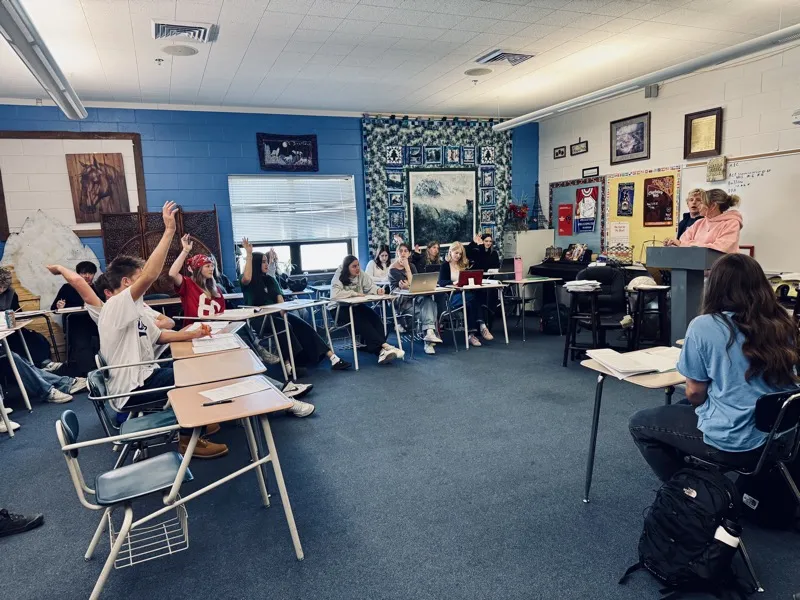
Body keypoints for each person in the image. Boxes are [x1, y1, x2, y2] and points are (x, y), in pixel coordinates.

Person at [629, 253, 800, 482]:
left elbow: (695, 393)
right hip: (782, 435)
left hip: (737, 442)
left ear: (715, 287)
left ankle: (688, 495)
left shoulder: (705, 326)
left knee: (640, 423)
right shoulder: (783, 323)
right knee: (681, 407)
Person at [239, 238, 351, 374]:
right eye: (263, 261)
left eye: (266, 261)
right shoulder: (248, 282)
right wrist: (249, 255)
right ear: (255, 263)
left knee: (301, 324)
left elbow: (279, 297)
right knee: (283, 327)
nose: (266, 264)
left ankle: (333, 358)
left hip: (276, 314)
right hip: (259, 318)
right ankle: (290, 366)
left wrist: (283, 310)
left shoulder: (269, 279)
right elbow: (247, 278)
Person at [331, 255, 404, 365]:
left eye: (358, 265)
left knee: (375, 318)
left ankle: (381, 352)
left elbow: (370, 286)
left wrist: (378, 290)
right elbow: (335, 295)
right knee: (362, 321)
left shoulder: (361, 274)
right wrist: (354, 293)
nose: (357, 268)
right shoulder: (339, 275)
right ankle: (386, 346)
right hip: (338, 309)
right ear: (347, 268)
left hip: (355, 305)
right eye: (354, 266)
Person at [0, 267, 61, 372]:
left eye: (3, 287)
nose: (1, 290)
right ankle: (37, 367)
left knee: (32, 337)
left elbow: (17, 311)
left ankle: (42, 363)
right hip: (3, 333)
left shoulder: (10, 293)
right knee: (15, 340)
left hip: (9, 327)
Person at [389, 243, 442, 355]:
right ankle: (428, 341)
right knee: (427, 311)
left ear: (409, 253)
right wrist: (408, 270)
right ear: (397, 252)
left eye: (405, 251)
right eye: (401, 251)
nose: (403, 253)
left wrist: (410, 282)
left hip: (415, 296)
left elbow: (414, 284)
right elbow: (409, 285)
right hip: (402, 301)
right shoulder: (392, 269)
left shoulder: (412, 266)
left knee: (430, 302)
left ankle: (429, 334)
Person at [438, 241, 492, 347]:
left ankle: (471, 335)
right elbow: (441, 282)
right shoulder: (445, 266)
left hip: (465, 294)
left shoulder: (463, 265)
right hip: (452, 296)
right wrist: (453, 283)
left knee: (472, 302)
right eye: (456, 253)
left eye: (460, 254)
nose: (458, 256)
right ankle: (482, 326)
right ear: (450, 252)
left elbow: (467, 279)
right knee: (473, 299)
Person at [664, 188, 742, 253]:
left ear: (713, 206)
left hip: (720, 270)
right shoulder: (699, 223)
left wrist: (685, 245)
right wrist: (675, 244)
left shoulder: (732, 223)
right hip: (695, 267)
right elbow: (682, 241)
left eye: (701, 202)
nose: (697, 205)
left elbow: (718, 248)